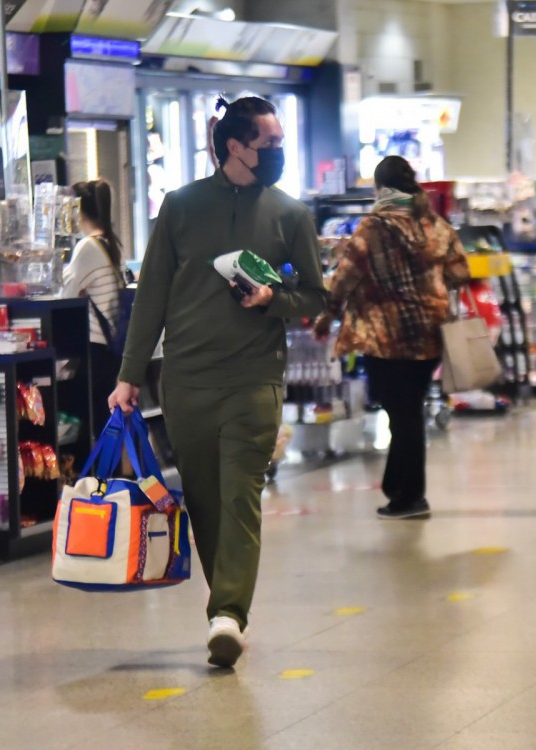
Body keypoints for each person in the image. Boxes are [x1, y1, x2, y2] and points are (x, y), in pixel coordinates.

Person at [108, 95, 326, 668]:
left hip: (255, 379)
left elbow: (316, 296)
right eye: (270, 143)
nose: (279, 151)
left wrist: (273, 298)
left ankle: (228, 613)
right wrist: (130, 375)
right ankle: (224, 606)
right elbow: (151, 294)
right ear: (236, 146)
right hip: (187, 381)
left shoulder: (290, 214)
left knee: (240, 496)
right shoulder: (180, 208)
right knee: (203, 499)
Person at [312, 156, 470, 520]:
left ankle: (410, 497)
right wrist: (427, 285)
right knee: (408, 412)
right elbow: (460, 272)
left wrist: (327, 316)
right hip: (429, 332)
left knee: (402, 416)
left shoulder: (373, 228)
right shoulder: (436, 225)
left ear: (380, 189)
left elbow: (345, 279)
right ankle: (399, 489)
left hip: (384, 335)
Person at [61, 179, 127, 434]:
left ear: (78, 210)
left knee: (85, 422)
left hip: (94, 351)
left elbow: (66, 294)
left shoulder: (88, 246)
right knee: (101, 423)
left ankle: (93, 474)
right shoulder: (110, 244)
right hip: (110, 350)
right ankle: (104, 474)